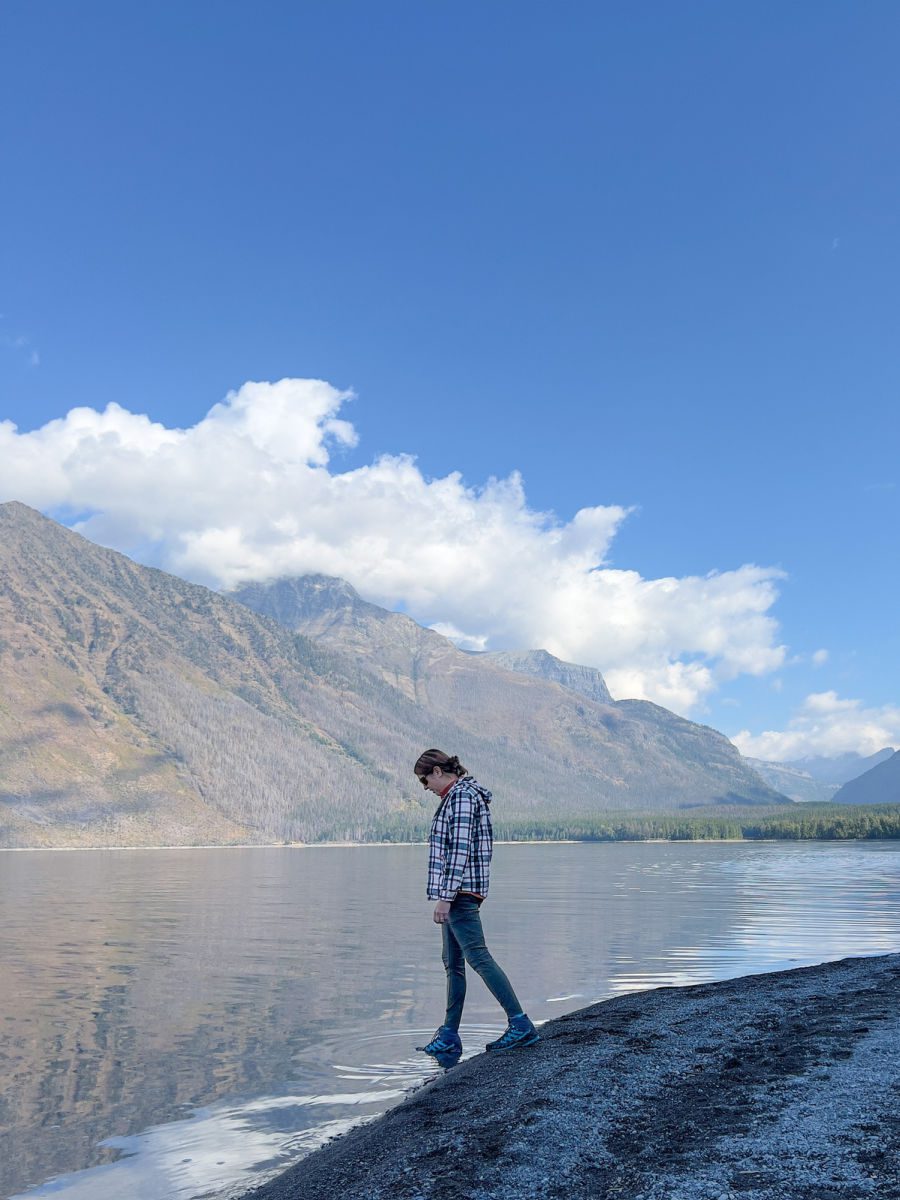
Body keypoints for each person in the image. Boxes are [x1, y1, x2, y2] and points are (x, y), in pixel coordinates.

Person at [413, 748, 538, 1057]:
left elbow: (459, 851)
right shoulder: (457, 797)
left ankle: (520, 1024)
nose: (425, 787)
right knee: (452, 963)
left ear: (438, 772)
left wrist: (445, 898)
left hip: (460, 894)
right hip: (458, 893)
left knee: (478, 958)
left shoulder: (463, 798)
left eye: (424, 779)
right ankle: (449, 1035)